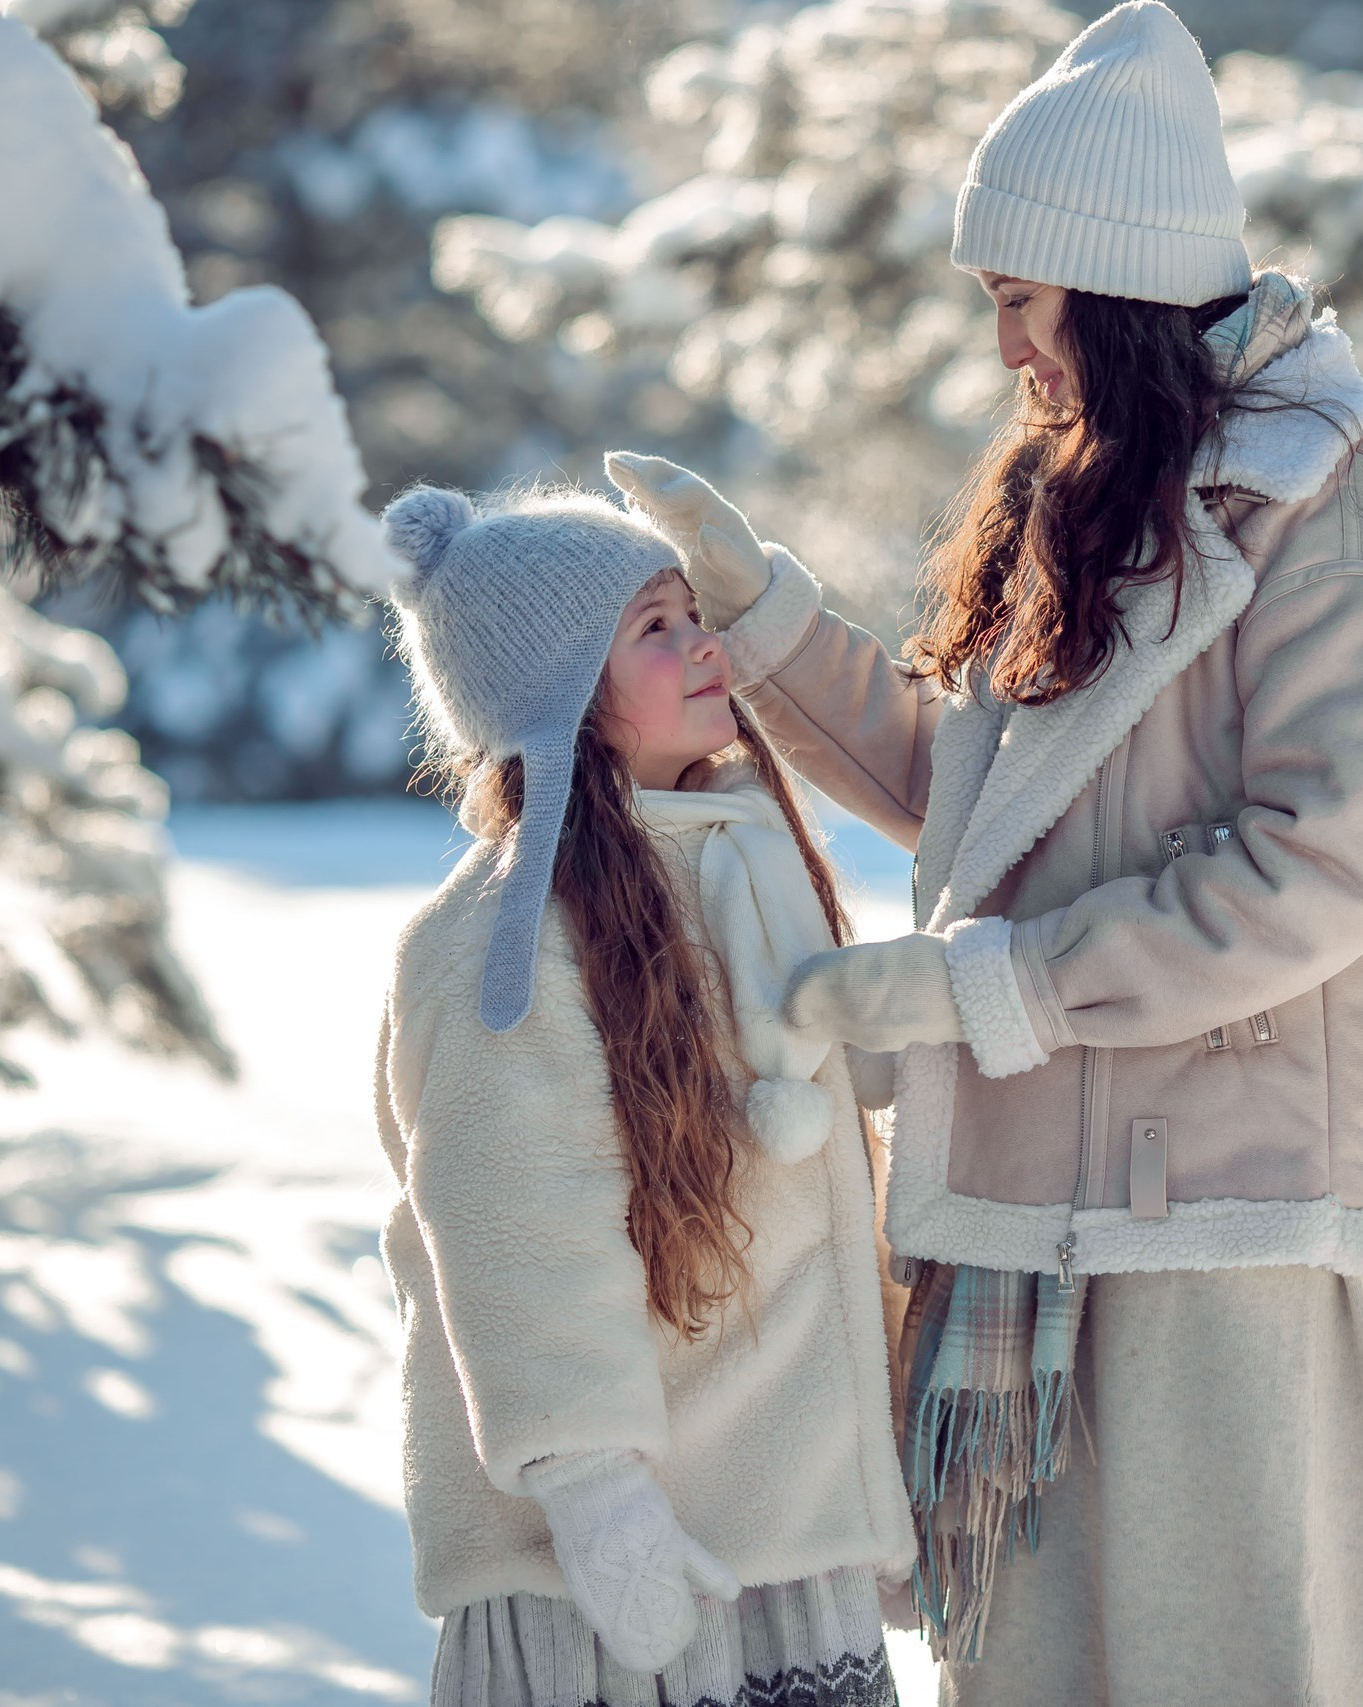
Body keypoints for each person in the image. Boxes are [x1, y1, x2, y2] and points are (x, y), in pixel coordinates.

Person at [615, 1, 1363, 1698]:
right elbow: (979, 797)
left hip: (1222, 1230)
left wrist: (986, 988)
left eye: (1020, 296)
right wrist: (760, 615)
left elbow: (1310, 875)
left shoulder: (1349, 539)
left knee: (1231, 1668)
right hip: (1027, 1215)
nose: (1006, 343)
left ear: (1113, 278)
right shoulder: (1089, 503)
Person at [370, 473, 915, 1707]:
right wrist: (597, 1495)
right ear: (559, 689)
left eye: (693, 615)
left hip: (782, 1530)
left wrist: (870, 1473)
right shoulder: (501, 941)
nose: (704, 644)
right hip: (624, 1565)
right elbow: (516, 1227)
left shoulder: (741, 866)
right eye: (654, 628)